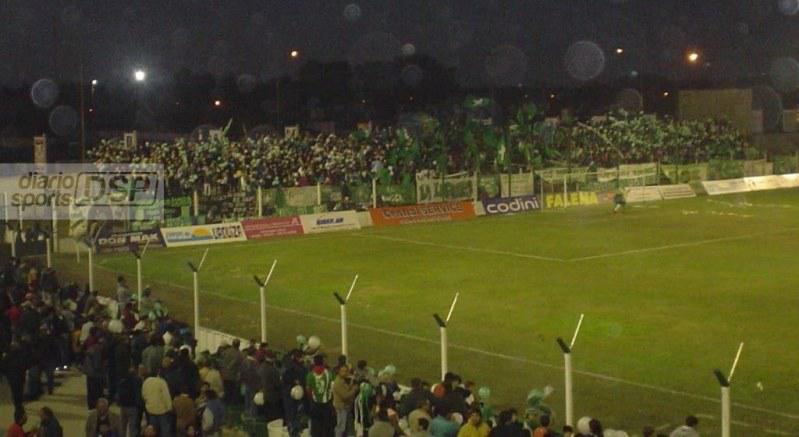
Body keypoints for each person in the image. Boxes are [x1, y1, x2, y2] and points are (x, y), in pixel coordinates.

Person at [306, 354, 335, 437]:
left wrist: (312, 398)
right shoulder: (329, 374)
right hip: (327, 404)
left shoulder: (310, 375)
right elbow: (332, 388)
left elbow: (308, 390)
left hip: (315, 404)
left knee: (316, 427)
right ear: (323, 362)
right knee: (327, 426)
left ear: (314, 363)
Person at [142, 370, 173, 437]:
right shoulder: (161, 382)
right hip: (162, 410)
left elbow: (143, 395)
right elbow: (166, 396)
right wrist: (169, 408)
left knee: (152, 431)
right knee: (165, 431)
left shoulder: (146, 382)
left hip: (151, 410)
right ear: (158, 374)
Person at [332, 365, 359, 437]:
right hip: (341, 407)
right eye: (344, 371)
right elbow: (345, 396)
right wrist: (354, 389)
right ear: (339, 372)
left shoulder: (342, 381)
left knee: (345, 427)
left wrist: (351, 386)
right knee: (341, 427)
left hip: (345, 407)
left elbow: (346, 390)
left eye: (347, 371)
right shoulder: (338, 383)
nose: (346, 373)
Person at [117, 366, 143, 437]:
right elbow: (139, 393)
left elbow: (119, 393)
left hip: (123, 407)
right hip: (133, 407)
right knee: (132, 428)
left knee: (122, 427)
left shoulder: (123, 381)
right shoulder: (138, 381)